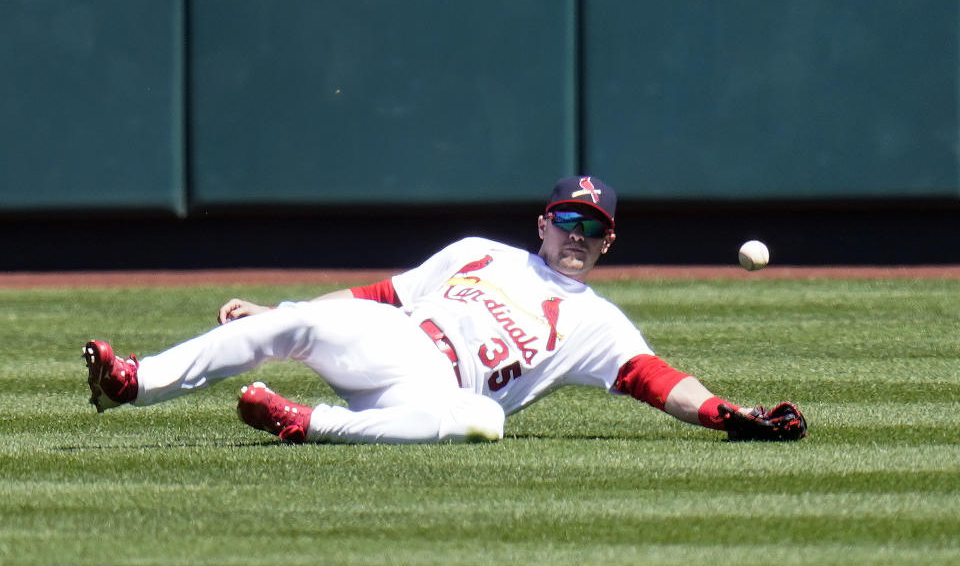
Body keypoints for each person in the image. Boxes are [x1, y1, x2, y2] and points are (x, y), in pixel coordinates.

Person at [83, 175, 806, 444]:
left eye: (592, 228)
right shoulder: (477, 252)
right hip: (394, 338)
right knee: (298, 317)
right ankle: (132, 382)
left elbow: (655, 378)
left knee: (482, 421)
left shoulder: (598, 321)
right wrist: (276, 309)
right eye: (567, 220)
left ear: (607, 241)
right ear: (543, 224)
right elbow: (379, 298)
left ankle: (305, 423)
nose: (576, 236)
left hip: (437, 389)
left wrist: (726, 414)